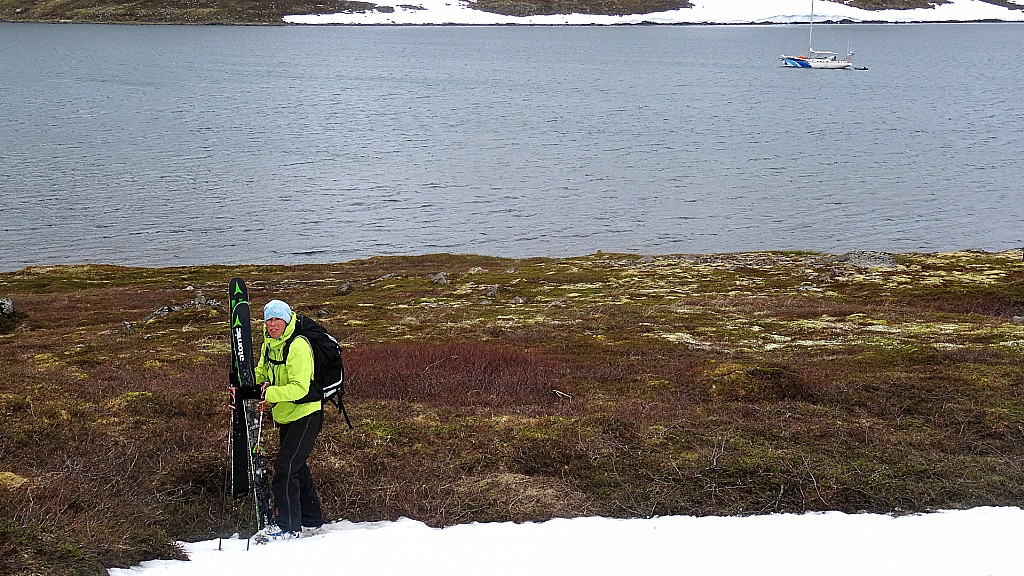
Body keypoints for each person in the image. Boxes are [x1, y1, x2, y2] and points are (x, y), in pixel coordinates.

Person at [254, 298, 324, 540]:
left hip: (307, 413)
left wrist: (267, 393)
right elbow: (262, 372)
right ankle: (312, 521)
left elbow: (299, 388)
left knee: (285, 469)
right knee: (297, 467)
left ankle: (288, 528)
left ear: (286, 320)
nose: (273, 324)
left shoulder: (298, 346)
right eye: (269, 320)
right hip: (285, 414)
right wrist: (246, 385)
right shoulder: (269, 344)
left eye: (277, 319)